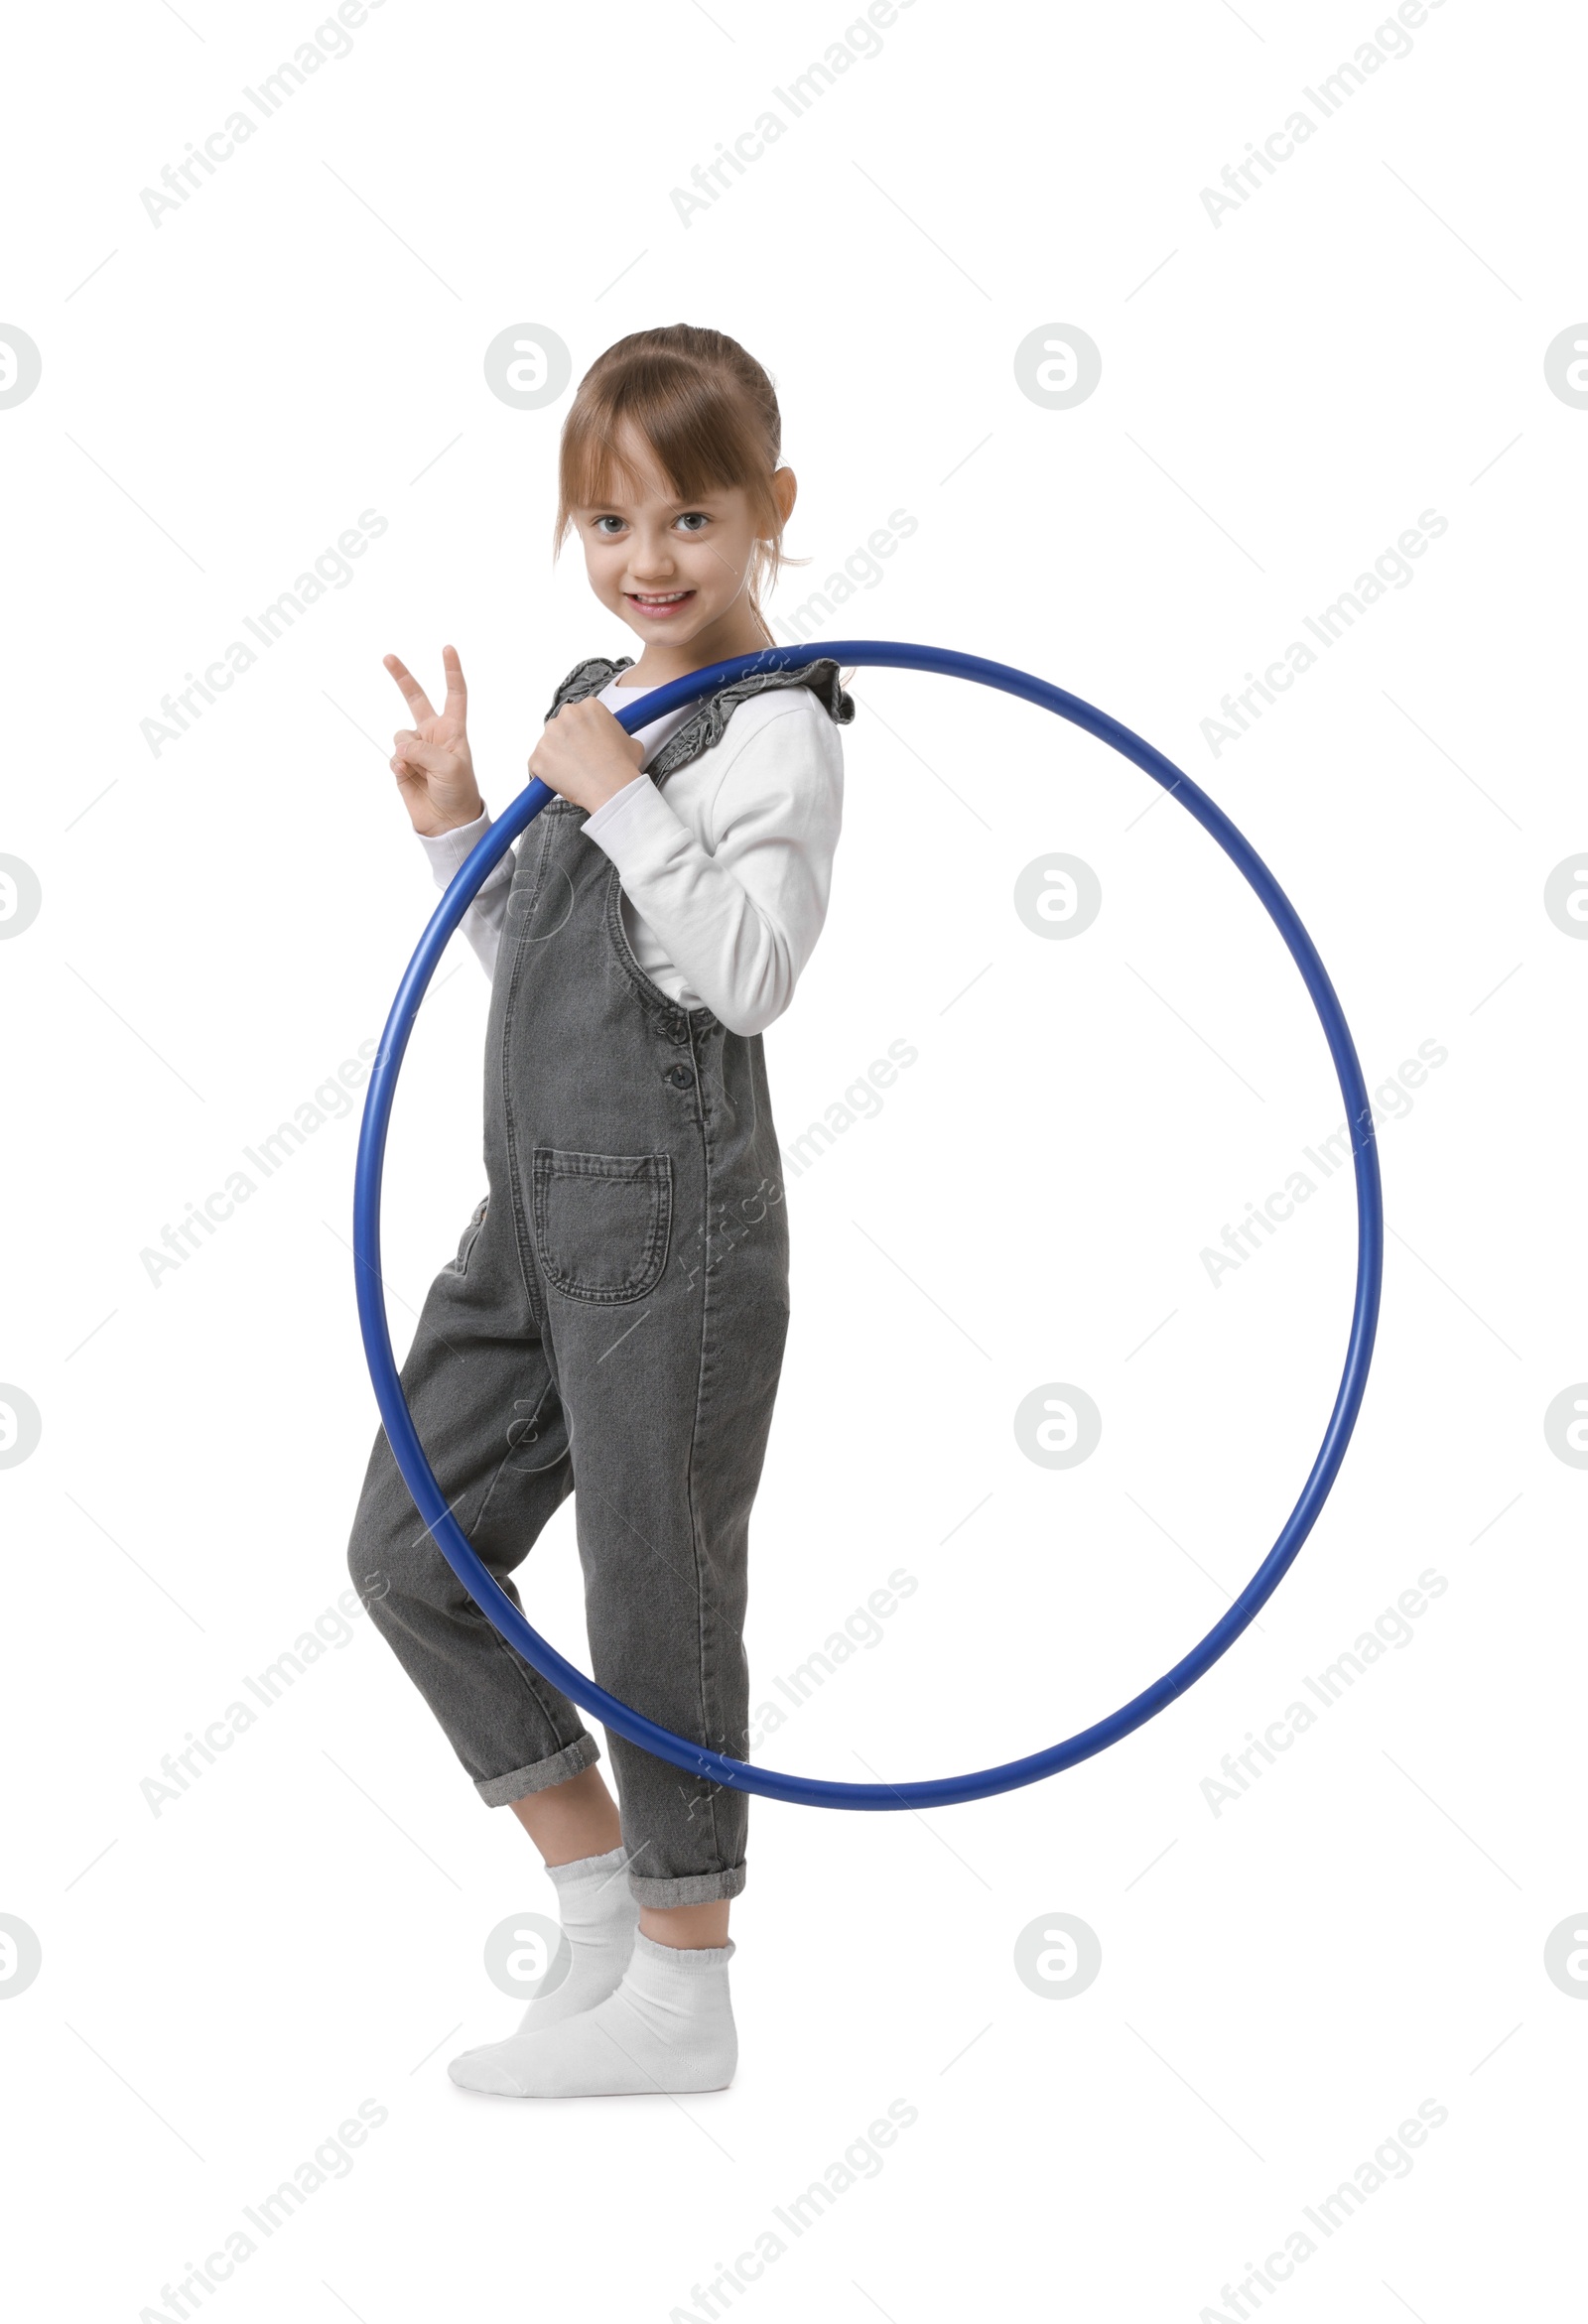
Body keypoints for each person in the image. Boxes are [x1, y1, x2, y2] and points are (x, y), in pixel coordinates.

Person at [345, 324, 851, 2098]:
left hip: (680, 1236)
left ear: (770, 512)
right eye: (611, 522)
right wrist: (460, 821)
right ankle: (594, 1911)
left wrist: (623, 795)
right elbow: (546, 975)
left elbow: (746, 972)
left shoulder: (773, 731)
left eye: (694, 520)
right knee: (409, 1551)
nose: (649, 563)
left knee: (655, 1586)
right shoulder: (597, 698)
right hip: (536, 1218)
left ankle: (686, 1984)